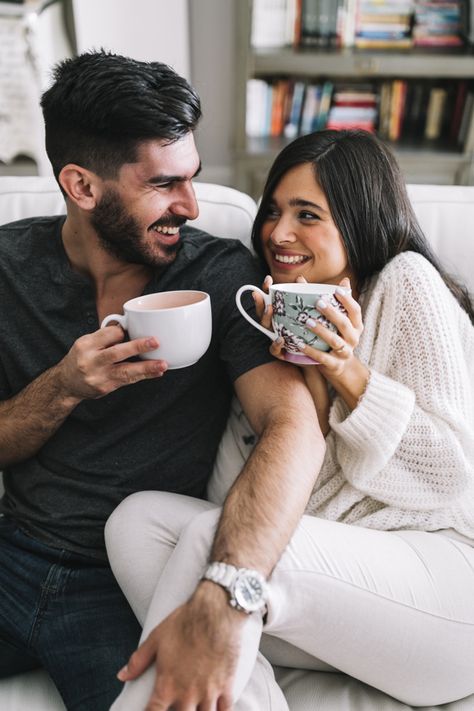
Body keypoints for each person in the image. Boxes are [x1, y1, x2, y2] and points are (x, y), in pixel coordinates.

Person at [0, 50, 325, 710]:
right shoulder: (7, 266)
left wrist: (228, 593)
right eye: (163, 184)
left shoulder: (221, 276)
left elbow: (295, 429)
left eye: (193, 178)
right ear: (82, 186)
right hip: (11, 551)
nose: (192, 204)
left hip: (120, 584)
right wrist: (63, 386)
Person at [106, 129, 474, 710]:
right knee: (137, 522)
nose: (278, 233)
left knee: (217, 545)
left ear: (359, 219)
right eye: (273, 211)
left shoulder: (406, 283)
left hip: (445, 592)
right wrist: (301, 379)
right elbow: (259, 503)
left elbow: (446, 476)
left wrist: (348, 373)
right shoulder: (274, 313)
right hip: (337, 599)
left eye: (308, 214)